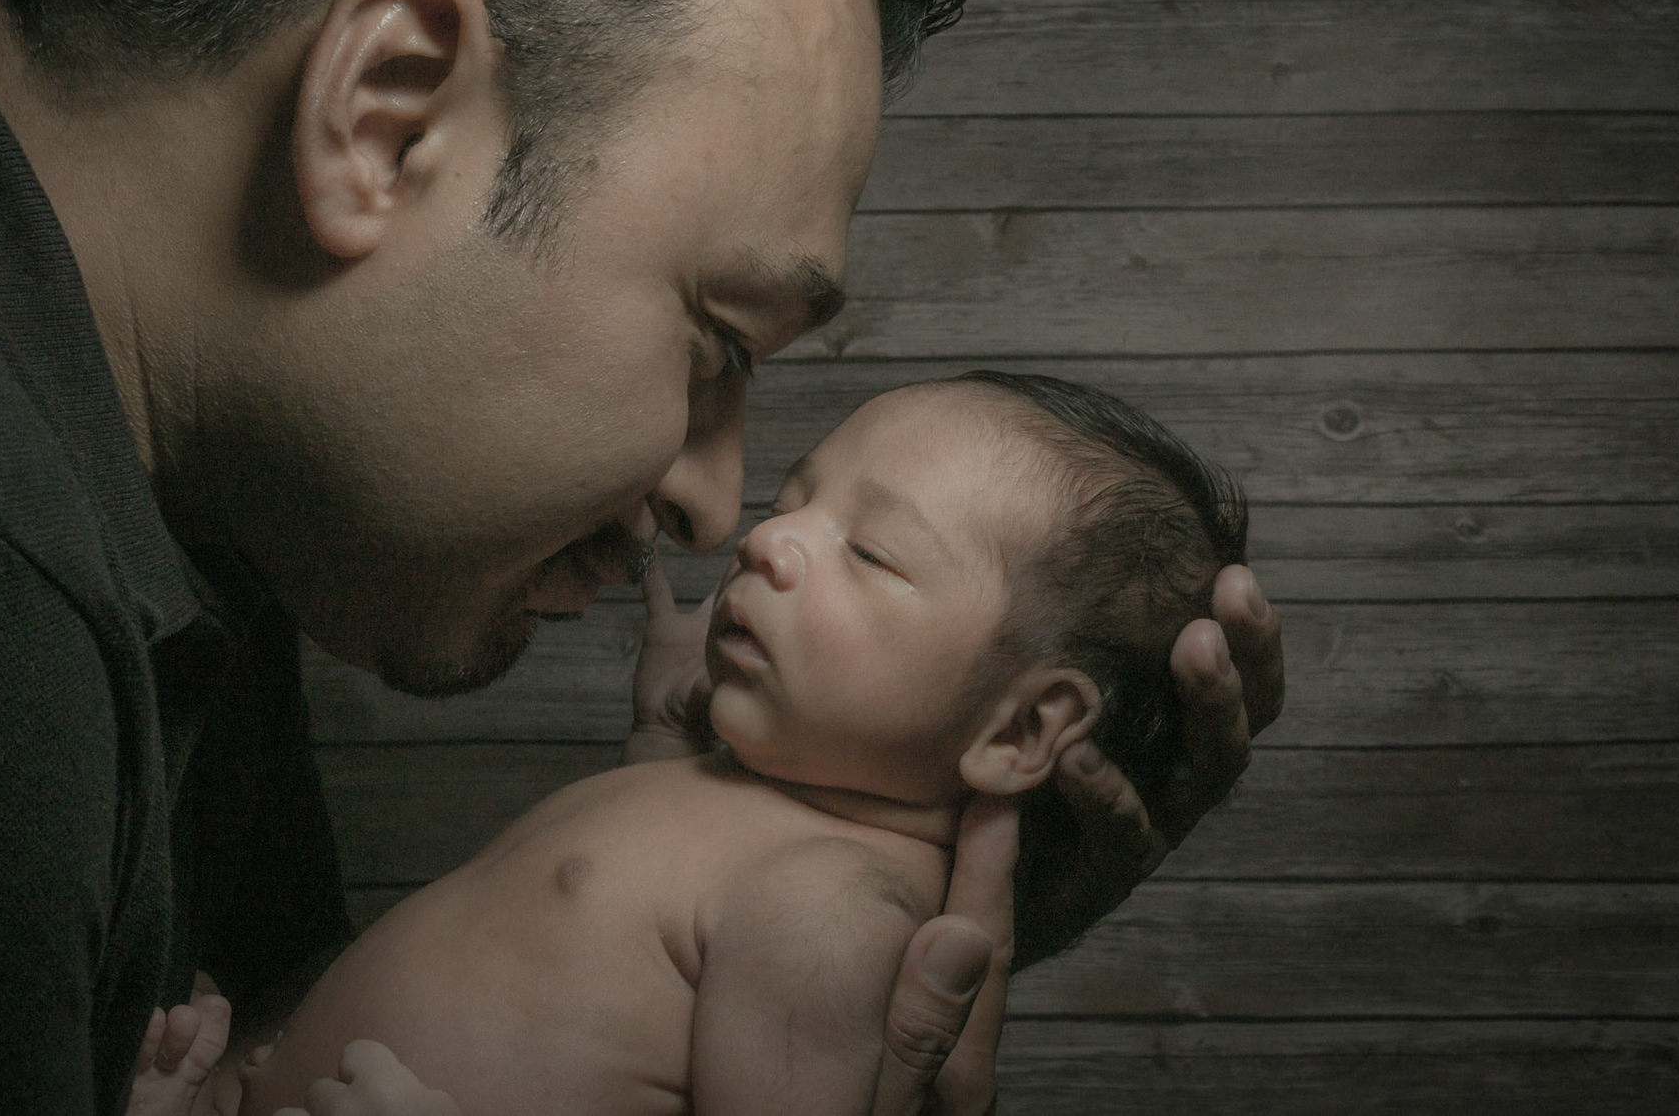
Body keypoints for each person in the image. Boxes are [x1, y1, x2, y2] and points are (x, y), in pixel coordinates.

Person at [0, 0, 1284, 1113]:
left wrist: (906, 899)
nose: (719, 505)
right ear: (388, 111)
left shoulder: (163, 418)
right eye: (715, 334)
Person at [201, 372, 1245, 1115]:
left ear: (1020, 727)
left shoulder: (826, 910)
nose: (765, 538)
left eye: (869, 552)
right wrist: (660, 737)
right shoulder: (761, 810)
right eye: (796, 499)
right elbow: (616, 958)